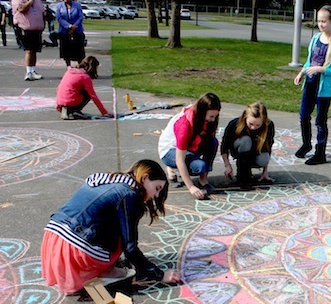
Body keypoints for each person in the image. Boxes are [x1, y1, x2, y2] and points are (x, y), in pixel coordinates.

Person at [41, 159, 182, 293]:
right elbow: (130, 247)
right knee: (124, 233)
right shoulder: (129, 195)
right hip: (76, 249)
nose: (156, 195)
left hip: (53, 240)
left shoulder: (109, 179)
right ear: (144, 178)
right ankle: (105, 271)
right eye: (157, 188)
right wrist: (159, 274)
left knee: (112, 221)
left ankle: (98, 267)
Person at [293, 5, 331, 165]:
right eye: (319, 21)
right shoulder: (316, 38)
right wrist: (301, 72)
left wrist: (321, 69)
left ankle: (320, 153)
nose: (321, 24)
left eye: (324, 21)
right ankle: (306, 144)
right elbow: (310, 60)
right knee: (303, 116)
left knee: (320, 121)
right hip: (310, 83)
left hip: (324, 88)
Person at [158, 93, 221, 200]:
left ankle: (203, 181)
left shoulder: (206, 119)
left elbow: (209, 141)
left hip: (189, 147)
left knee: (213, 142)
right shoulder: (185, 125)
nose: (213, 120)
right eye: (211, 116)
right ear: (202, 112)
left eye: (215, 116)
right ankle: (172, 168)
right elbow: (179, 159)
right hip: (170, 151)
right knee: (199, 166)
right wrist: (191, 187)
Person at [221, 102, 276, 190]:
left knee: (264, 159)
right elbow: (224, 146)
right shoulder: (234, 124)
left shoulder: (269, 126)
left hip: (255, 151)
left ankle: (247, 171)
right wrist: (227, 165)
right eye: (250, 124)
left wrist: (265, 171)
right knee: (246, 141)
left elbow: (268, 147)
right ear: (245, 117)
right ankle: (242, 174)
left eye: (258, 125)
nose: (253, 127)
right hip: (239, 150)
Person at [11, 0, 45, 81]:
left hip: (36, 30)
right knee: (29, 50)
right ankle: (28, 72)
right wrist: (30, 1)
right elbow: (21, 9)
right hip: (25, 29)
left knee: (34, 51)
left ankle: (33, 70)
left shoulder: (37, 0)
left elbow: (42, 13)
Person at [55, 0, 85, 67]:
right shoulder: (59, 6)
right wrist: (69, 26)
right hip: (64, 31)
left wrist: (75, 26)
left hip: (77, 30)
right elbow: (59, 18)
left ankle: (80, 66)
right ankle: (69, 67)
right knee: (66, 51)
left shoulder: (77, 5)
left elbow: (80, 17)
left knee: (79, 51)